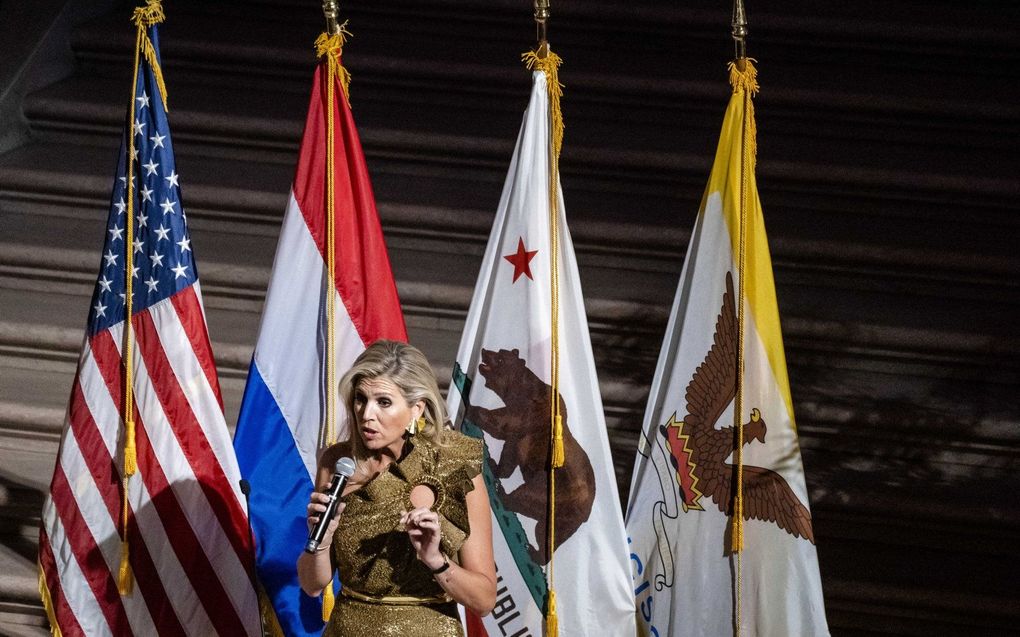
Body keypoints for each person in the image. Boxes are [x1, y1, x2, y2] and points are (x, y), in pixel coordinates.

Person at [298, 339, 496, 635]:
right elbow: (313, 586)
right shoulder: (338, 462)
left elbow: (484, 600)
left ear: (417, 409)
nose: (366, 414)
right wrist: (322, 541)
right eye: (361, 398)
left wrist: (435, 560)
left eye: (384, 402)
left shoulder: (455, 466)